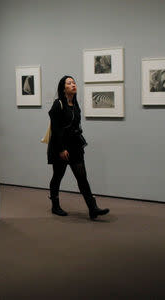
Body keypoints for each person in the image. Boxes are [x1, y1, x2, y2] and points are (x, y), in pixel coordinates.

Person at [47, 75, 109, 220]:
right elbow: (55, 130)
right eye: (69, 83)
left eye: (74, 82)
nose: (73, 85)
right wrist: (62, 149)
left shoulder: (75, 104)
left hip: (75, 146)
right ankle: (55, 206)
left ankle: (93, 208)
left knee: (82, 177)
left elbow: (75, 126)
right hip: (60, 147)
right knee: (57, 176)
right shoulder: (58, 105)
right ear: (63, 88)